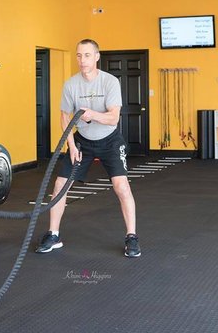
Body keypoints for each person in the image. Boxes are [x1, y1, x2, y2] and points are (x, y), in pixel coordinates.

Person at [35, 39, 141, 258]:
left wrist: (92, 115)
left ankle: (131, 237)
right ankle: (53, 234)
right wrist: (71, 146)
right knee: (60, 184)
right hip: (82, 140)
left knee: (121, 186)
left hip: (110, 140)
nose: (82, 61)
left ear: (96, 57)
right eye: (79, 56)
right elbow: (65, 118)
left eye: (87, 55)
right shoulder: (70, 85)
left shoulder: (110, 82)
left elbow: (113, 119)